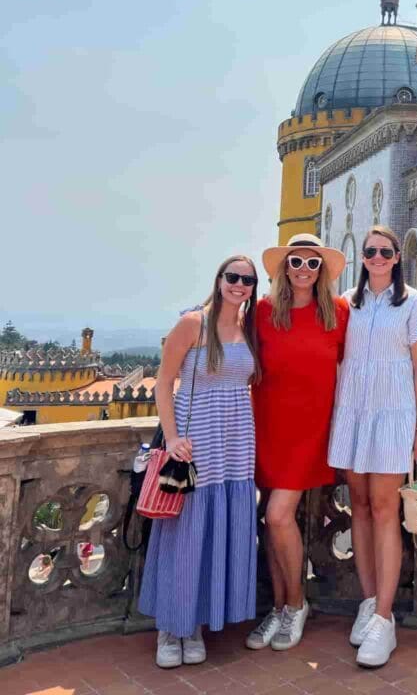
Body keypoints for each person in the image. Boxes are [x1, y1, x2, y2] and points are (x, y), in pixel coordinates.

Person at [139, 256, 260, 669]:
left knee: (217, 528)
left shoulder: (249, 328)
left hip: (237, 445)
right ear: (219, 279)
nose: (239, 285)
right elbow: (163, 381)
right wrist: (172, 438)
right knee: (187, 530)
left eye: (247, 279)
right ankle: (172, 627)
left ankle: (198, 621)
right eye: (232, 277)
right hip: (196, 443)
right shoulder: (194, 323)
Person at [328, 225, 417, 668]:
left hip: (394, 418)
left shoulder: (412, 302)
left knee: (384, 508)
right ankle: (369, 602)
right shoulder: (346, 306)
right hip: (353, 415)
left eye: (384, 251)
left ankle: (386, 620)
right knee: (358, 504)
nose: (376, 256)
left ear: (396, 258)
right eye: (370, 251)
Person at [246, 233, 349, 653]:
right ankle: (278, 606)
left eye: (312, 263)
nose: (303, 270)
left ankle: (296, 603)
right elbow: (227, 339)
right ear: (284, 268)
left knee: (277, 515)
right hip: (267, 427)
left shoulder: (339, 313)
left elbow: (358, 367)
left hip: (310, 431)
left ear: (322, 270)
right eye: (296, 262)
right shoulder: (264, 311)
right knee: (271, 522)